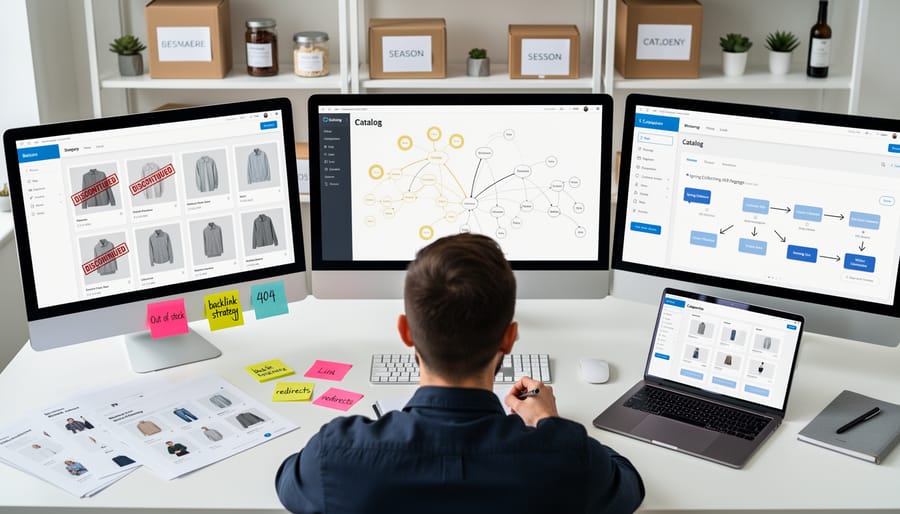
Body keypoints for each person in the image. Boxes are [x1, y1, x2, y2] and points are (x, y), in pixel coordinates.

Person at [275, 233, 644, 513]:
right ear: (509, 338)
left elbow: (288, 481)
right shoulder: (566, 457)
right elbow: (627, 485)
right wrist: (548, 422)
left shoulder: (337, 453)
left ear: (405, 332)